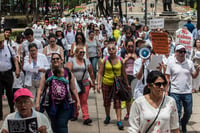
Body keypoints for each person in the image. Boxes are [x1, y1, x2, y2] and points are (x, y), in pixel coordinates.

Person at [35, 53, 80, 133]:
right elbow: (41, 89)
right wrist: (37, 102)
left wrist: (78, 101)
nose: (55, 60)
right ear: (51, 61)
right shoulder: (47, 74)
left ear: (61, 60)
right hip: (51, 104)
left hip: (65, 103)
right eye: (53, 59)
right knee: (54, 124)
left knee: (61, 123)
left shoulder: (68, 73)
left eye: (57, 59)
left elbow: (73, 89)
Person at [165, 45, 200, 133]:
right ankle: (178, 129)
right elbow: (167, 78)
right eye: (180, 51)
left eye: (184, 52)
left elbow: (194, 76)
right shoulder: (171, 63)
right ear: (175, 52)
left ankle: (183, 123)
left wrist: (198, 70)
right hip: (175, 92)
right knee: (178, 113)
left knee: (188, 112)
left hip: (187, 91)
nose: (182, 54)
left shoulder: (189, 63)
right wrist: (165, 90)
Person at [97, 43, 129, 130]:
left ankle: (119, 120)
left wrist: (127, 84)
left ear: (116, 50)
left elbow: (124, 73)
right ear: (107, 51)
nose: (111, 51)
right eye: (109, 49)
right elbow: (100, 72)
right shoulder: (105, 60)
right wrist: (98, 84)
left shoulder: (121, 60)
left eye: (113, 49)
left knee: (117, 102)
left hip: (117, 85)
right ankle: (107, 116)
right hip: (106, 83)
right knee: (106, 101)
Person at [67, 46, 95, 125]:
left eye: (83, 52)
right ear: (76, 53)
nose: (82, 54)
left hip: (85, 83)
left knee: (83, 100)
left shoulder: (87, 61)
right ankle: (75, 114)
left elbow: (91, 72)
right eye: (80, 52)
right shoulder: (71, 61)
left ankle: (86, 117)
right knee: (75, 100)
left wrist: (93, 82)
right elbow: (68, 71)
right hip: (74, 83)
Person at [0, 34, 20, 121]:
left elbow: (14, 58)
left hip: (8, 73)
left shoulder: (8, 48)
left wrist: (17, 69)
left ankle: (12, 109)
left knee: (10, 93)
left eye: (0, 43)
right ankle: (0, 114)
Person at [123, 39, 137, 120]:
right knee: (128, 96)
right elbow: (121, 64)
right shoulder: (123, 54)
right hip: (127, 76)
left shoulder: (137, 54)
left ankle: (135, 113)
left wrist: (134, 58)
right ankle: (128, 113)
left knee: (135, 96)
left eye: (132, 46)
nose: (130, 48)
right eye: (129, 46)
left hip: (135, 76)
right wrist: (127, 59)